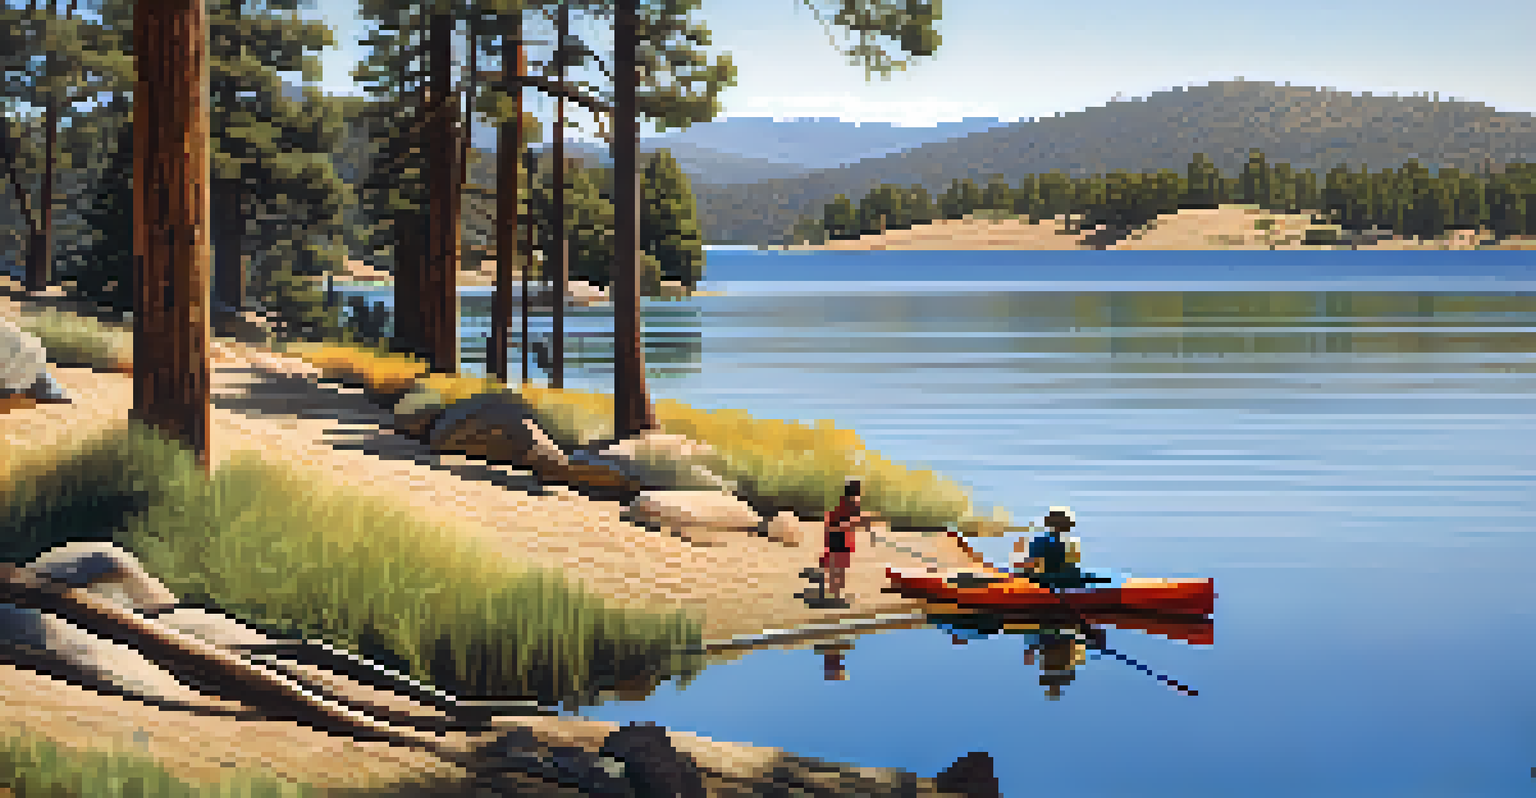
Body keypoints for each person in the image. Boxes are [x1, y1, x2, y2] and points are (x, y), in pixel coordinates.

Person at [820, 479, 873, 606]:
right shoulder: (854, 501)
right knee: (839, 568)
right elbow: (852, 520)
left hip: (834, 535)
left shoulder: (842, 501)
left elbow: (841, 519)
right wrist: (865, 523)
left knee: (836, 567)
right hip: (841, 536)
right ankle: (836, 597)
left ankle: (834, 594)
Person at [1012, 507, 1090, 591]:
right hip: (1045, 578)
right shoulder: (1042, 542)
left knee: (1080, 575)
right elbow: (1034, 566)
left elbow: (1065, 565)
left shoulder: (1061, 543)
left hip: (1054, 577)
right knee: (1075, 576)